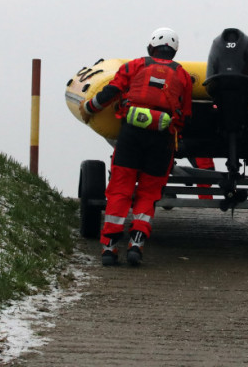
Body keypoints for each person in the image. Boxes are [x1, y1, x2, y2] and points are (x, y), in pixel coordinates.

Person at [80, 27, 193, 267]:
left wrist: (90, 108)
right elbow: (185, 114)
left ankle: (109, 248)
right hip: (161, 139)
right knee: (149, 193)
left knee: (121, 189)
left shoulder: (135, 65)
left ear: (151, 46)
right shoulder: (182, 75)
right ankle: (137, 244)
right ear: (173, 51)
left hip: (131, 135)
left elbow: (112, 90)